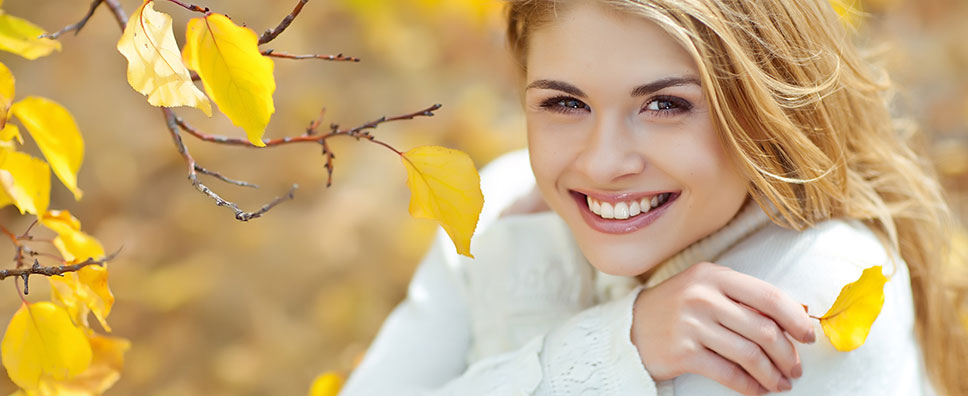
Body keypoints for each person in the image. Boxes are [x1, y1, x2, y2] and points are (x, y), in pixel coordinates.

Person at [340, 0, 968, 395]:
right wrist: (620, 343)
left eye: (666, 104)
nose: (604, 163)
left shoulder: (813, 284)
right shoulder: (504, 204)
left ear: (763, 107)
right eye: (565, 103)